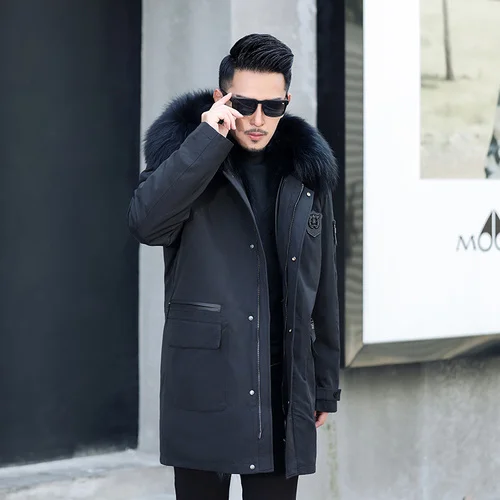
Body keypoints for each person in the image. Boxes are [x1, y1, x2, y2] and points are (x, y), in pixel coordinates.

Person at [128, 33, 341, 500]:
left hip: (282, 386)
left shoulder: (306, 170)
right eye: (245, 104)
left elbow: (322, 283)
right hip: (206, 381)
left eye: (272, 106)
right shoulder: (186, 155)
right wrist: (207, 140)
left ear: (287, 102)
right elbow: (146, 223)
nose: (258, 120)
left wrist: (324, 385)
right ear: (220, 98)